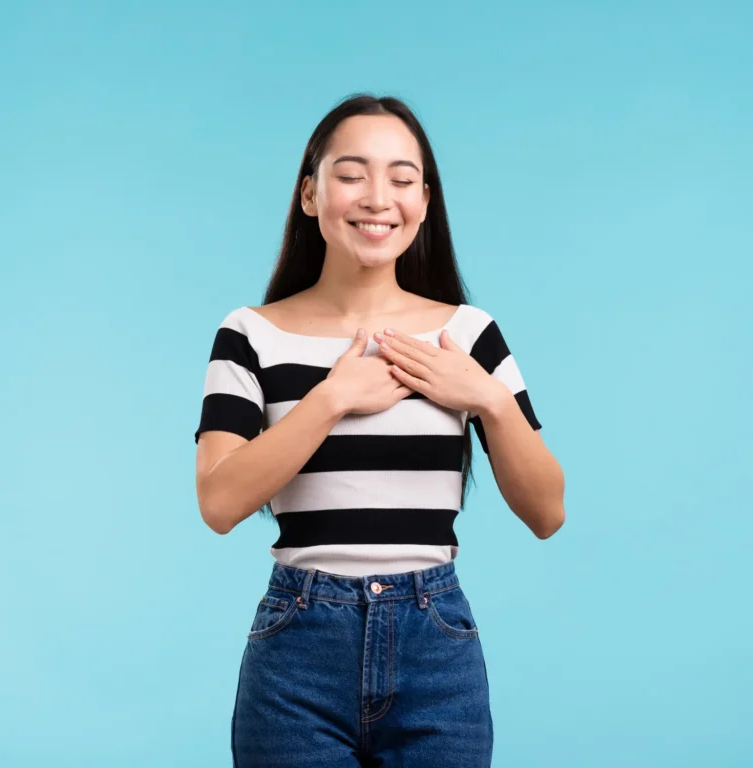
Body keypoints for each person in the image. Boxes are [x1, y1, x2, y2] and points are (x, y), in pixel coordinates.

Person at [193, 93, 566, 767]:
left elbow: (547, 511)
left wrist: (490, 400)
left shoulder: (468, 335)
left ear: (424, 201)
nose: (377, 197)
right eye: (351, 173)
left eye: (400, 178)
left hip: (436, 644)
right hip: (297, 651)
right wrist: (330, 399)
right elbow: (219, 503)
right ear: (311, 194)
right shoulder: (249, 333)